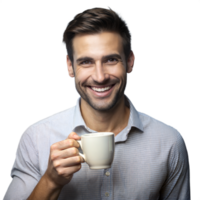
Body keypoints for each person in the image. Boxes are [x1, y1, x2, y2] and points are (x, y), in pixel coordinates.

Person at [3, 5, 191, 200]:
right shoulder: (36, 139)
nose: (100, 77)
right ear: (70, 66)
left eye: (110, 60)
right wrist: (50, 181)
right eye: (86, 62)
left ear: (129, 62)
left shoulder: (168, 142)